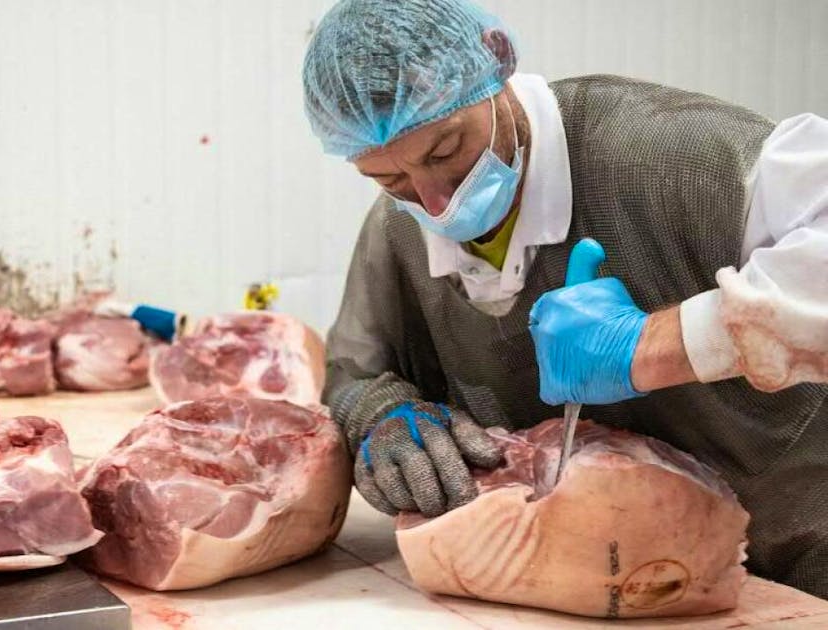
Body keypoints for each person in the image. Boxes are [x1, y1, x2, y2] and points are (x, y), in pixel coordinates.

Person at [302, 0, 828, 597]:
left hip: (803, 567)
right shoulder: (400, 229)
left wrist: (656, 344)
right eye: (389, 179)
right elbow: (354, 370)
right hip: (603, 583)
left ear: (496, 64)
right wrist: (381, 416)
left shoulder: (669, 152)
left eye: (445, 151)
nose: (436, 203)